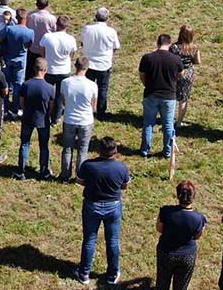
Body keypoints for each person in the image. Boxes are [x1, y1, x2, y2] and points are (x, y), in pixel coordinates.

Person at [74, 136, 131, 287]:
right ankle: (112, 275)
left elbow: (79, 181)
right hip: (113, 207)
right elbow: (124, 186)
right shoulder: (121, 168)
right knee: (112, 241)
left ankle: (84, 273)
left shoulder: (88, 165)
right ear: (116, 151)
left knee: (89, 240)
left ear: (99, 150)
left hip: (92, 206)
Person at [156, 181, 207, 290]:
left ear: (178, 195)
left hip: (166, 252)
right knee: (181, 286)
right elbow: (197, 236)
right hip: (188, 255)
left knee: (162, 283)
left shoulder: (165, 211)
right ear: (193, 196)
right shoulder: (199, 218)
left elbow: (159, 229)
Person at [139, 34, 184, 159]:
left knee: (148, 123)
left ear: (157, 43)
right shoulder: (175, 59)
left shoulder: (147, 58)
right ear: (169, 44)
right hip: (169, 96)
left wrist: (146, 84)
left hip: (151, 94)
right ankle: (167, 151)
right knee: (168, 124)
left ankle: (145, 150)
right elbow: (181, 74)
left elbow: (142, 75)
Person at [15, 57, 54, 181]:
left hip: (28, 118)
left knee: (25, 143)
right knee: (43, 145)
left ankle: (21, 171)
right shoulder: (49, 88)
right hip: (43, 120)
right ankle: (43, 172)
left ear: (34, 68)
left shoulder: (26, 85)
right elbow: (51, 107)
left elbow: (21, 103)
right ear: (45, 70)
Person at [59, 57, 98, 182]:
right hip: (85, 120)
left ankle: (65, 175)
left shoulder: (65, 82)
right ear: (87, 68)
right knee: (82, 150)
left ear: (75, 66)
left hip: (69, 119)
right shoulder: (92, 85)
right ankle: (80, 176)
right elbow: (94, 106)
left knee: (67, 148)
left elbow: (64, 101)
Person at [82, 7, 119, 120]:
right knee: (102, 89)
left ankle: (86, 109)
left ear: (95, 17)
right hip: (104, 64)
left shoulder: (87, 29)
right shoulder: (111, 32)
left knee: (87, 88)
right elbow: (116, 47)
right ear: (107, 18)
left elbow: (82, 42)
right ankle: (101, 113)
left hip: (89, 64)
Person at [40, 15, 77, 122]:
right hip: (64, 70)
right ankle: (56, 118)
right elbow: (72, 54)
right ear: (67, 26)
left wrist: (45, 60)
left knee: (47, 94)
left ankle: (45, 114)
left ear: (56, 24)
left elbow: (41, 51)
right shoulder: (71, 39)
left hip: (50, 70)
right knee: (60, 97)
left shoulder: (47, 37)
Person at [0, 8, 33, 119]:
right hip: (21, 60)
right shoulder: (30, 32)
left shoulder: (9, 29)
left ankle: (4, 105)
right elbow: (30, 45)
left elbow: (0, 40)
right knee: (18, 84)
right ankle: (15, 108)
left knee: (6, 82)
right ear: (26, 18)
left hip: (8, 58)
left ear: (16, 18)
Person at [170, 25, 201, 128]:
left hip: (175, 73)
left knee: (172, 97)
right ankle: (179, 122)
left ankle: (169, 120)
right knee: (183, 99)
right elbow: (198, 61)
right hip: (188, 74)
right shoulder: (194, 47)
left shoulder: (174, 47)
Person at [26, 0, 57, 68]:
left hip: (32, 47)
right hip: (45, 49)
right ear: (47, 5)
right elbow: (54, 31)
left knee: (30, 69)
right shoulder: (51, 18)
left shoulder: (31, 15)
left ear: (36, 4)